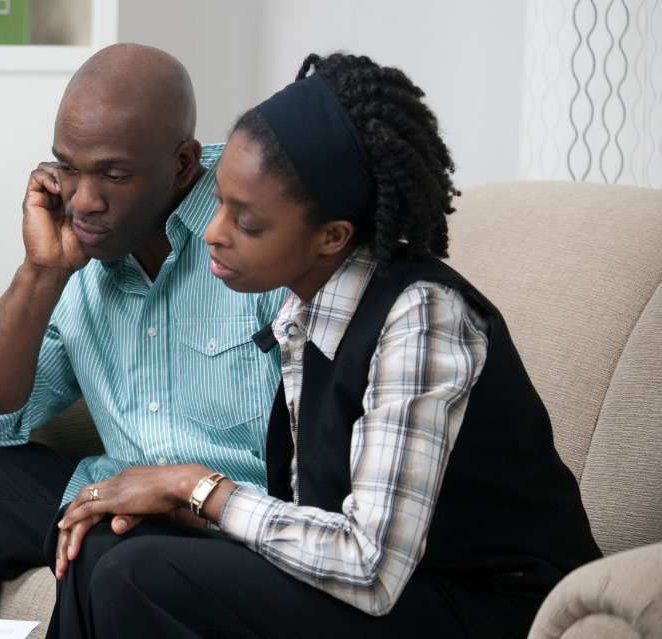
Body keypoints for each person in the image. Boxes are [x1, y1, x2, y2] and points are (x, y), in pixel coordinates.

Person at [47, 52, 601, 638]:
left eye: (248, 222)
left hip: (491, 607)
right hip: (391, 588)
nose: (212, 232)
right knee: (105, 550)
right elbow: (311, 516)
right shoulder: (302, 313)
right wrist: (168, 502)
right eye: (221, 205)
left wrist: (191, 486)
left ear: (332, 236)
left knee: (139, 574)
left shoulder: (424, 318)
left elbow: (369, 567)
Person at [0, 43, 287, 617]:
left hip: (223, 512)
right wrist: (42, 272)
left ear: (184, 165)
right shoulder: (80, 247)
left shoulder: (254, 223)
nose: (85, 201)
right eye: (68, 168)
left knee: (109, 549)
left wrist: (192, 498)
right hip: (112, 492)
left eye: (115, 175)